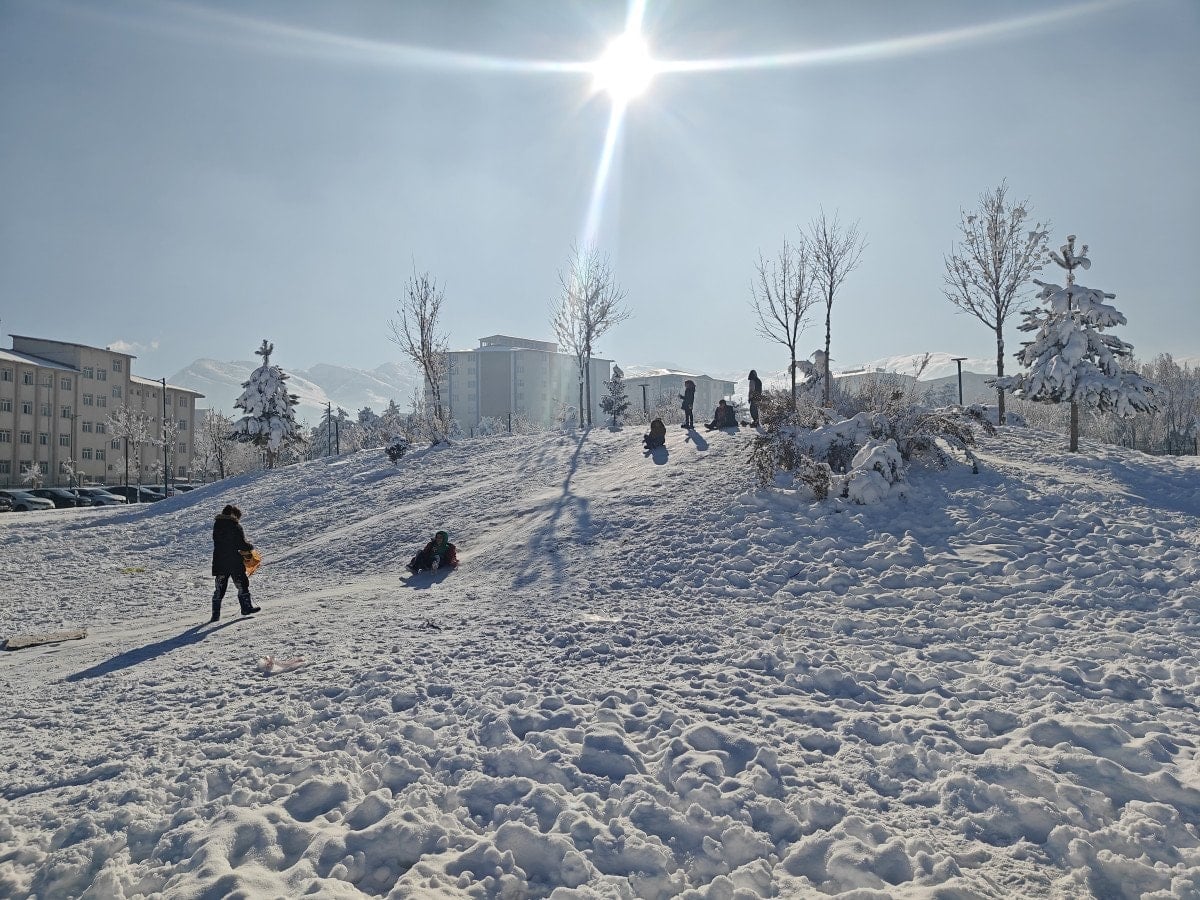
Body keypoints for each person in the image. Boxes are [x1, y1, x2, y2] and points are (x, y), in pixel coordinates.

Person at [211, 504, 259, 621]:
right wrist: (250, 546)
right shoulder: (235, 526)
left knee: (220, 587)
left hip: (219, 560)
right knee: (242, 584)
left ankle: (215, 615)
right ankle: (246, 608)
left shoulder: (217, 525)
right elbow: (241, 544)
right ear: (234, 515)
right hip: (233, 561)